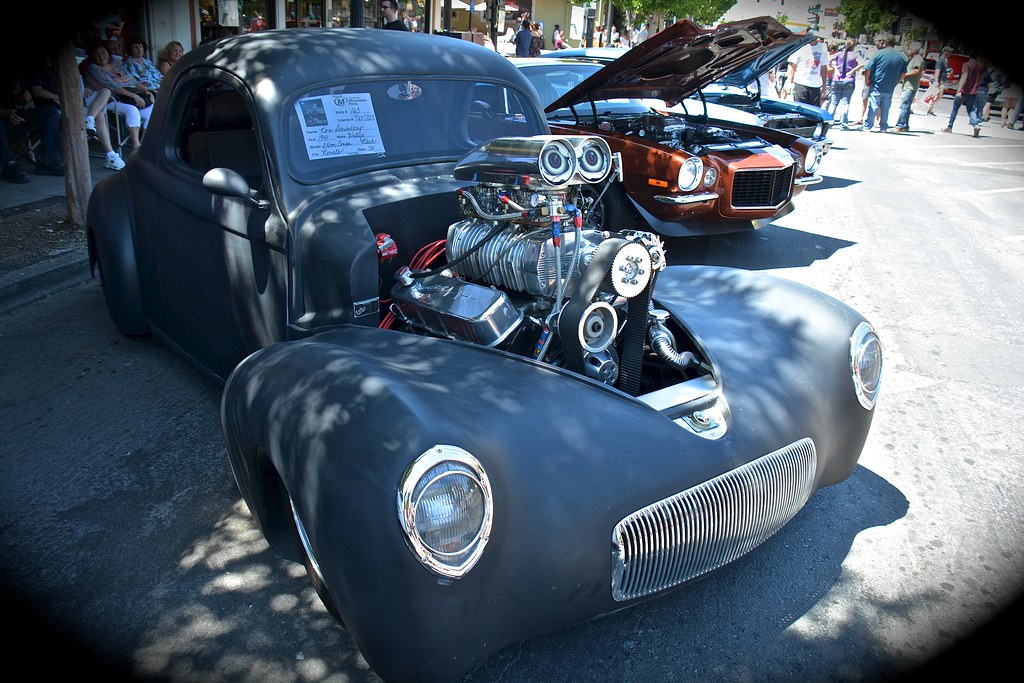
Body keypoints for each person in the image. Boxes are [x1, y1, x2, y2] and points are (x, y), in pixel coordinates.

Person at [84, 42, 155, 150]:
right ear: (92, 56)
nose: (101, 56)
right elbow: (113, 87)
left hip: (129, 97)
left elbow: (133, 81)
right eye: (97, 54)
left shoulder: (118, 66)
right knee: (132, 110)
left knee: (152, 110)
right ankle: (136, 145)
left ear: (108, 54)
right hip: (111, 99)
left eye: (103, 53)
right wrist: (135, 96)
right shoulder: (94, 69)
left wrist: (146, 91)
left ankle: (144, 144)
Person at [1, 72, 63, 181]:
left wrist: (23, 95)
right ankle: (8, 164)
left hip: (15, 119)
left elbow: (17, 96)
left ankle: (49, 160)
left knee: (50, 112)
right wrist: (4, 113)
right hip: (3, 121)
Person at [860, 34, 906, 132]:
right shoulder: (901, 57)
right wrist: (897, 82)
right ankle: (883, 127)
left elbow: (868, 68)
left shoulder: (879, 54)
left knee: (873, 106)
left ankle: (868, 126)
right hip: (890, 86)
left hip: (877, 84)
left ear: (885, 42)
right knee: (886, 107)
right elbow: (903, 72)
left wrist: (867, 80)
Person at [941, 50, 985, 137]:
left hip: (964, 91)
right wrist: (975, 86)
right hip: (974, 92)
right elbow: (981, 79)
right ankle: (975, 125)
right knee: (971, 110)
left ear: (969, 56)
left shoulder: (967, 65)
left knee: (955, 108)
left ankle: (950, 127)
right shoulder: (981, 66)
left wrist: (960, 90)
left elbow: (964, 77)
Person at [784, 32, 828, 106]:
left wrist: (824, 86)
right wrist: (789, 82)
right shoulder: (800, 46)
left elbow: (824, 67)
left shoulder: (822, 47)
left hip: (815, 85)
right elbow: (792, 65)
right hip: (801, 84)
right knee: (800, 111)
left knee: (813, 113)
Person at [828, 38, 863, 129]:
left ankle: (829, 122)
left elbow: (828, 59)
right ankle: (843, 124)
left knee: (833, 103)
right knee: (845, 103)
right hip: (849, 80)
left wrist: (835, 68)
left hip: (837, 79)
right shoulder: (855, 55)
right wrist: (853, 70)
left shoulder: (839, 53)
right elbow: (863, 63)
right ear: (853, 47)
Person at [892, 42, 923, 132]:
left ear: (915, 50)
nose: (908, 51)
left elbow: (917, 71)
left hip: (910, 86)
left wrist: (903, 75)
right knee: (907, 106)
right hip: (908, 85)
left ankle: (900, 125)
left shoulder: (917, 58)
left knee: (904, 106)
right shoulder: (912, 59)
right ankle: (905, 125)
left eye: (910, 48)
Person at [922, 46, 953, 116]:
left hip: (942, 81)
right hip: (939, 81)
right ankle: (930, 109)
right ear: (945, 52)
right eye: (949, 52)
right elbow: (937, 71)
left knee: (938, 96)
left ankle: (930, 109)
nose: (951, 53)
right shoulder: (940, 61)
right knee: (938, 96)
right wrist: (936, 81)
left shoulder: (945, 61)